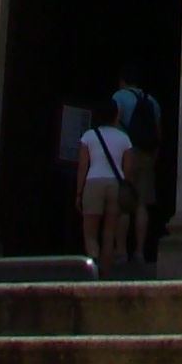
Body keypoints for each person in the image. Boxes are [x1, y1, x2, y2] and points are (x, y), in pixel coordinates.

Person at [75, 97, 135, 274]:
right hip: (115, 184)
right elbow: (128, 169)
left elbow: (82, 166)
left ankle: (93, 268)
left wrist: (79, 193)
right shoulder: (124, 138)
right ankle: (106, 274)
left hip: (94, 182)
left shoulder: (89, 136)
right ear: (117, 115)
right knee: (109, 235)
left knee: (91, 234)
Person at [113, 71, 164, 268]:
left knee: (125, 203)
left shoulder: (119, 97)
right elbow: (158, 133)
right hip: (146, 154)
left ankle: (121, 252)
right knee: (142, 204)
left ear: (122, 80)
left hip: (126, 152)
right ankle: (140, 251)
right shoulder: (152, 101)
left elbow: (115, 124)